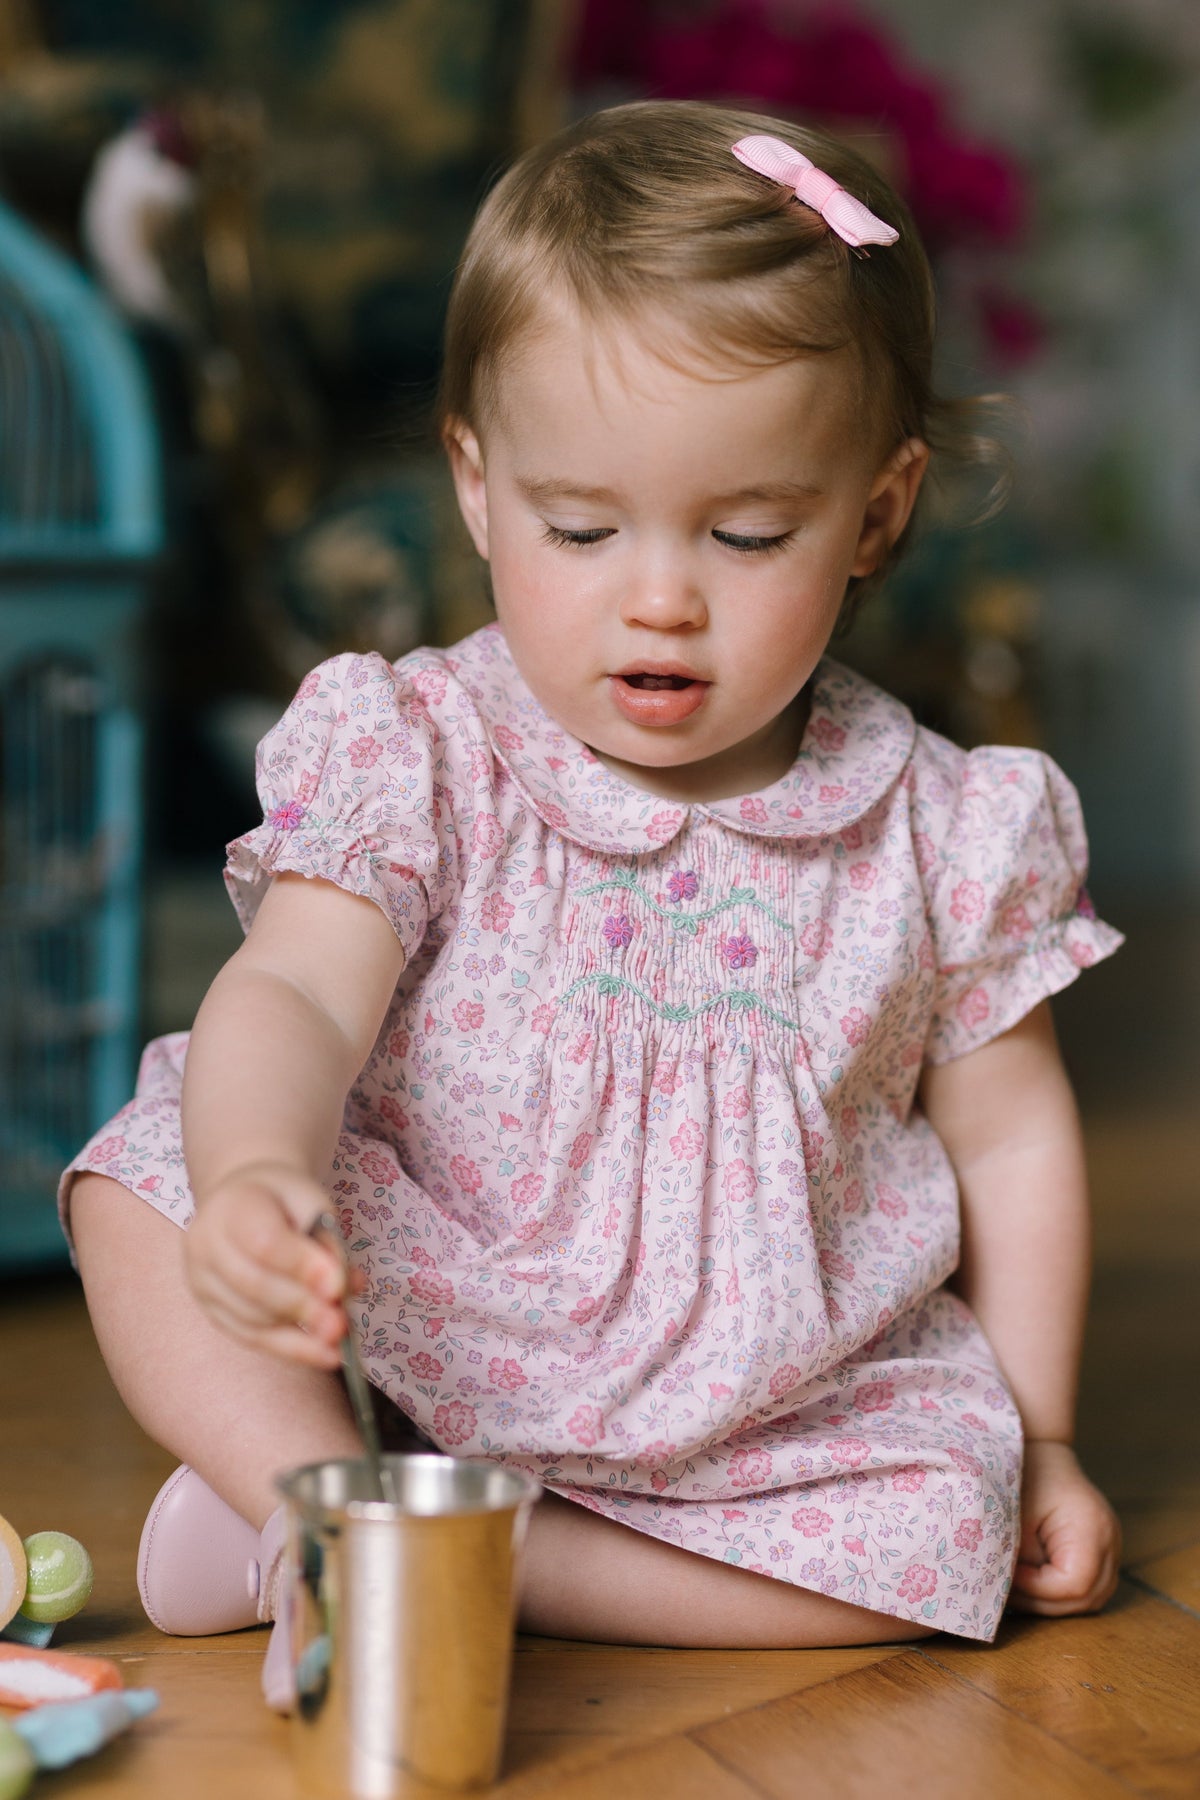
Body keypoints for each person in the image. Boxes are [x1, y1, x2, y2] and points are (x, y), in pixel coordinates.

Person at [62, 102, 1124, 1705]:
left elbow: (1016, 1138)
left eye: (749, 532)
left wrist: (1038, 1435)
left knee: (949, 1549)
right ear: (479, 490)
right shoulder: (422, 750)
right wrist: (257, 1174)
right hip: (442, 1289)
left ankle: (442, 1551)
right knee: (141, 1185)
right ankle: (312, 1478)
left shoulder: (944, 826)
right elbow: (292, 991)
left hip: (767, 1383)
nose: (659, 597)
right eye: (580, 527)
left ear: (876, 517)